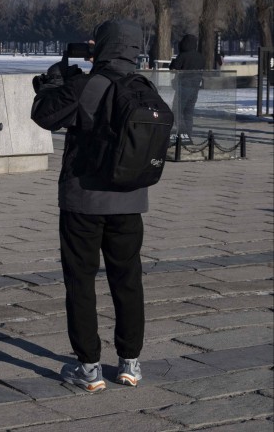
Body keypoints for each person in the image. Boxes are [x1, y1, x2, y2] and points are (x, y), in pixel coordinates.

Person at [30, 19, 148, 392]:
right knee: (127, 281)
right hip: (131, 201)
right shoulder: (144, 87)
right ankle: (130, 363)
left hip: (84, 201)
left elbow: (44, 115)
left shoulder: (86, 86)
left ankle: (89, 367)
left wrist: (52, 83)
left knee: (81, 282)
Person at [169, 34, 205, 143]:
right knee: (188, 113)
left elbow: (173, 68)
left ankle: (181, 135)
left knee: (177, 111)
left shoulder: (182, 56)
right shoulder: (200, 57)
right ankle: (188, 136)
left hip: (183, 86)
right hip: (195, 88)